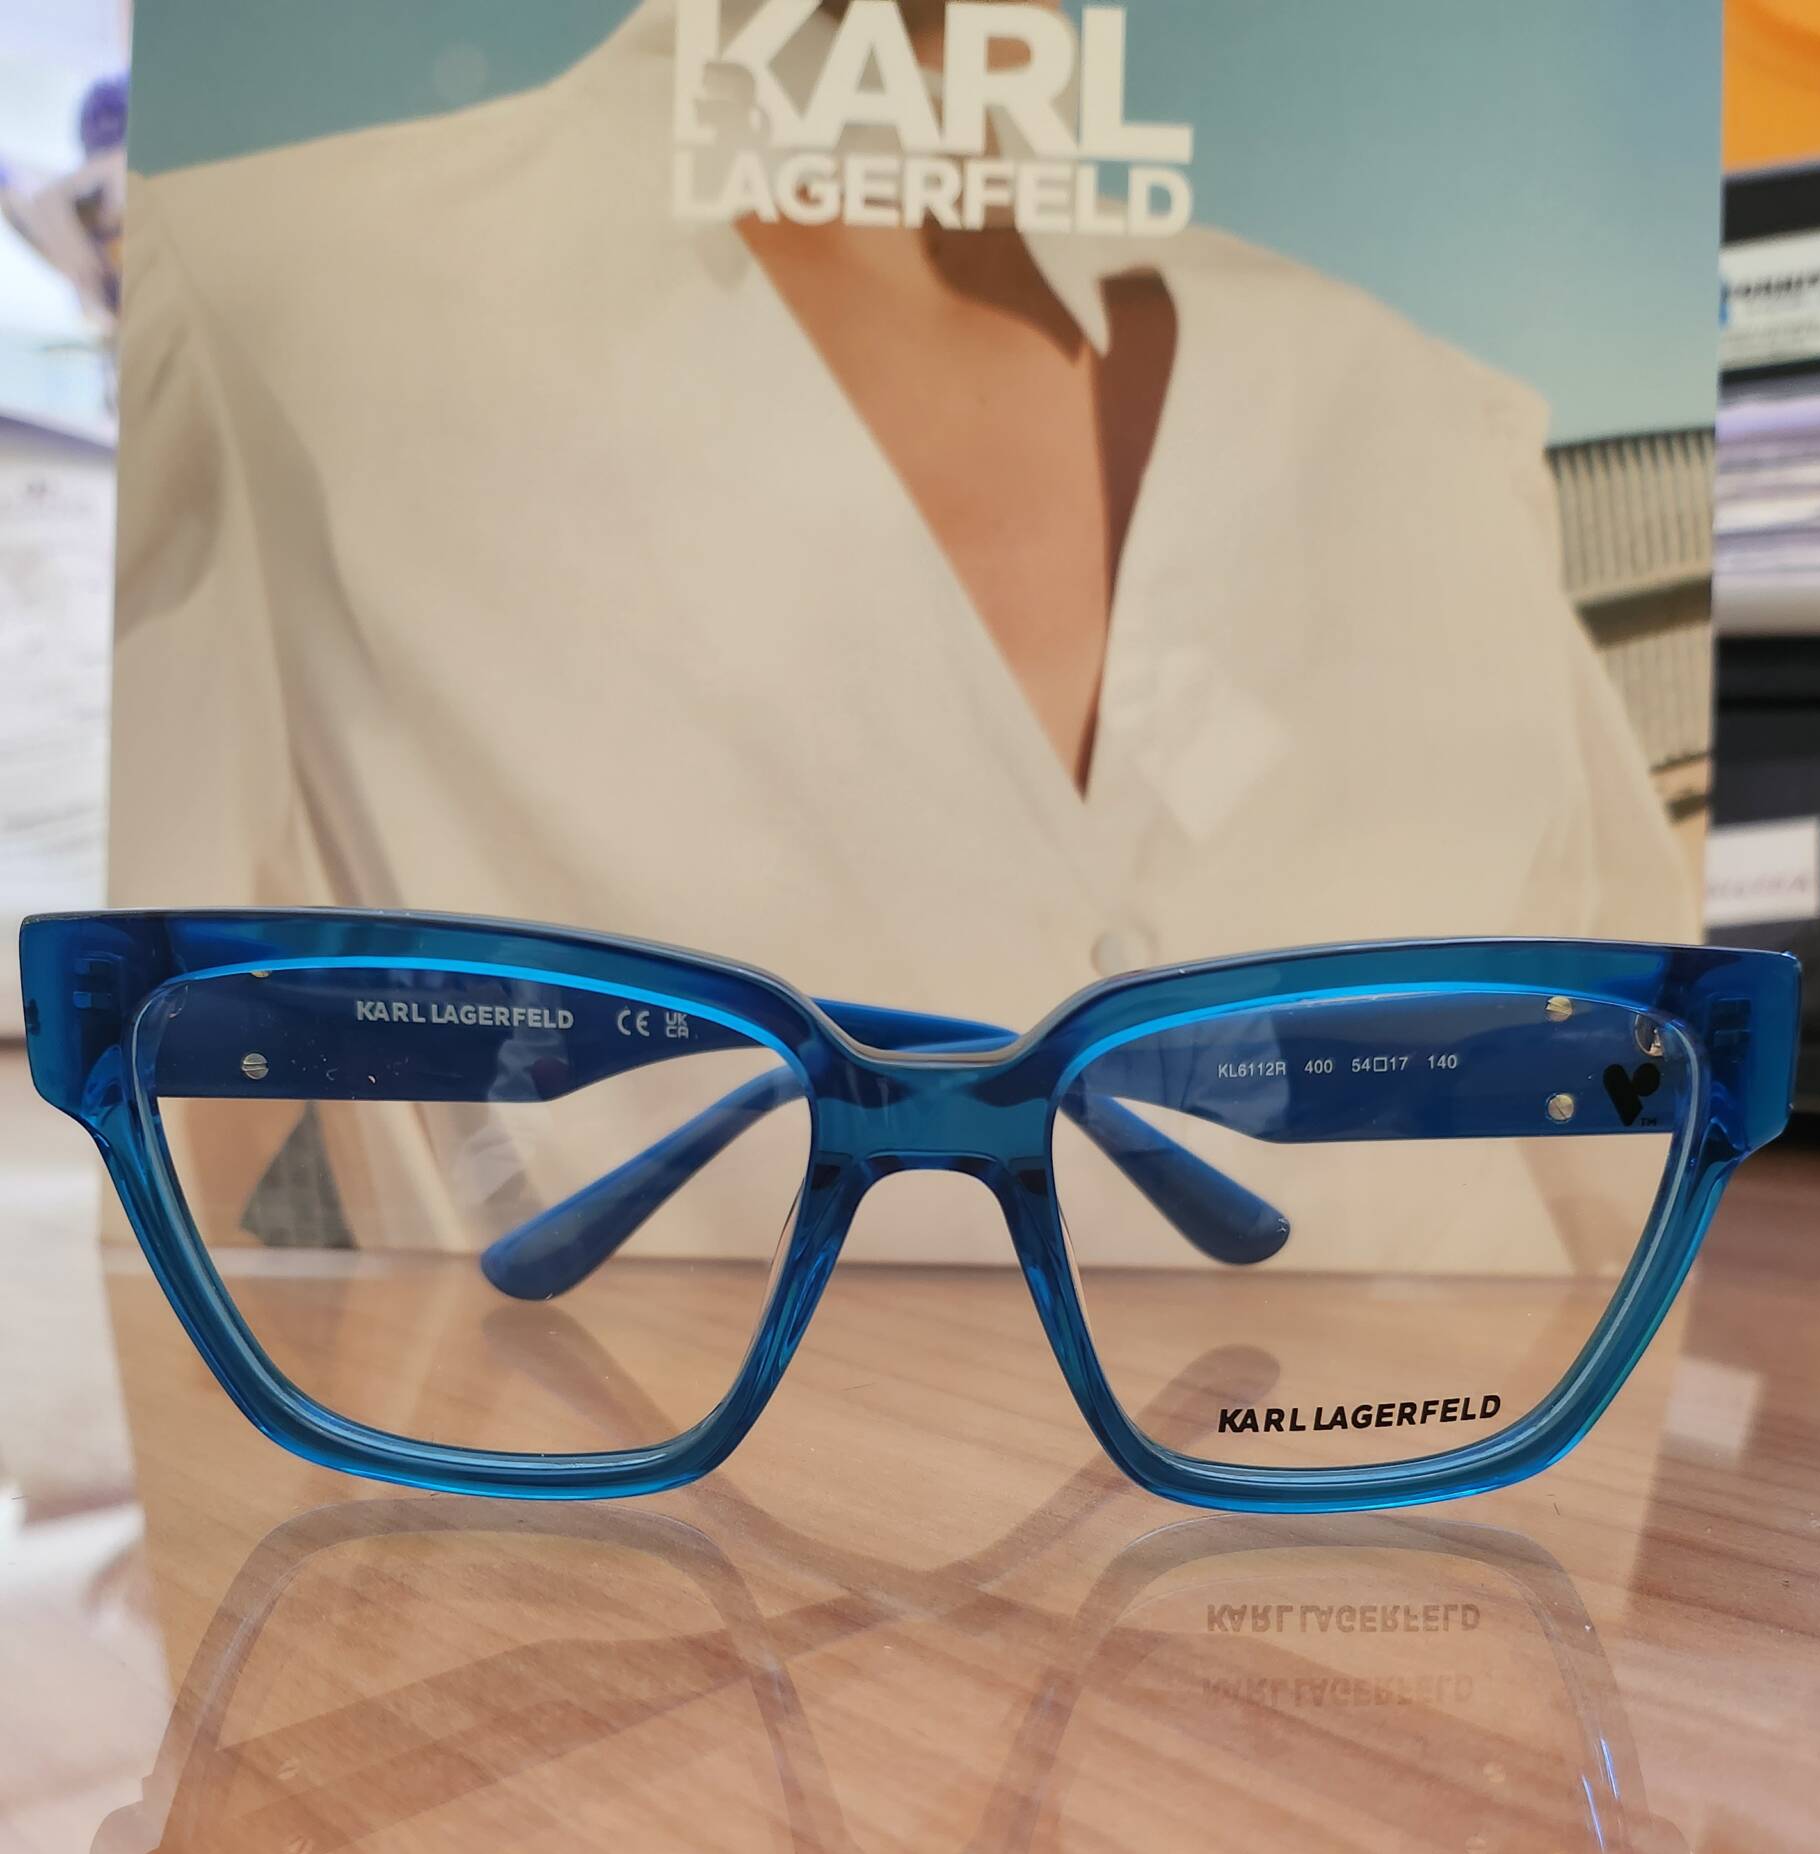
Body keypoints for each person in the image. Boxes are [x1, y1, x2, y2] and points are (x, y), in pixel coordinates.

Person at [110, 0, 1695, 1270]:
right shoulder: (284, 306)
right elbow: (132, 1203)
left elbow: (1637, 1155)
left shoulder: (1412, 411)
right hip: (670, 1539)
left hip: (1430, 1520)